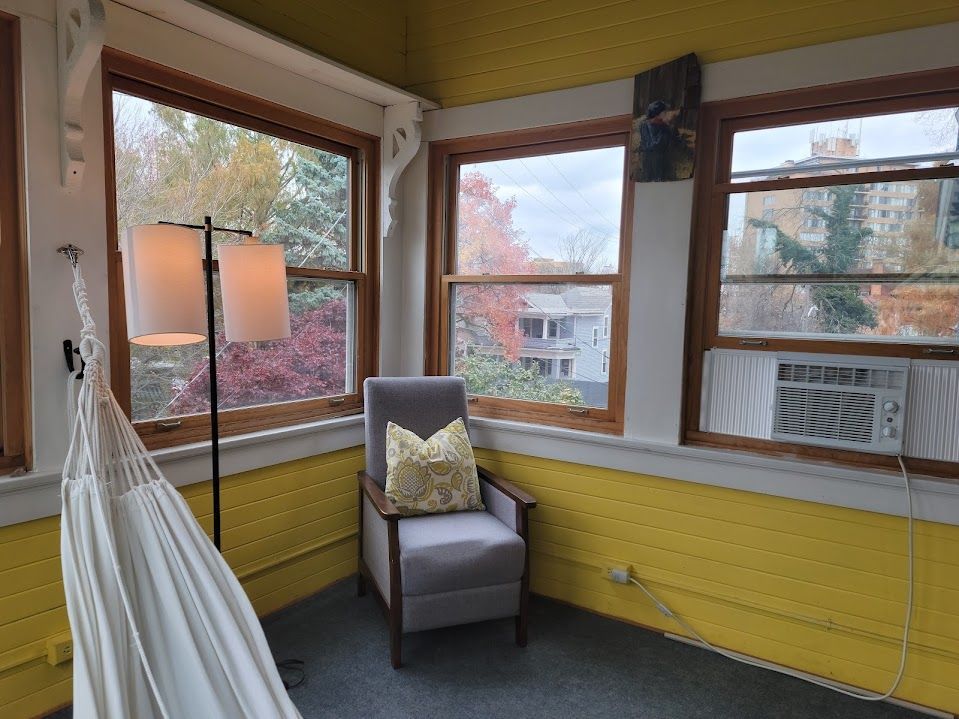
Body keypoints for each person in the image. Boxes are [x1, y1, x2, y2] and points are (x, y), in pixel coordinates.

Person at [638, 100, 680, 182]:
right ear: (657, 114)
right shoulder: (645, 126)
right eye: (664, 112)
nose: (666, 113)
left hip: (663, 162)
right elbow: (652, 145)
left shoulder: (666, 127)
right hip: (650, 163)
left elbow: (674, 142)